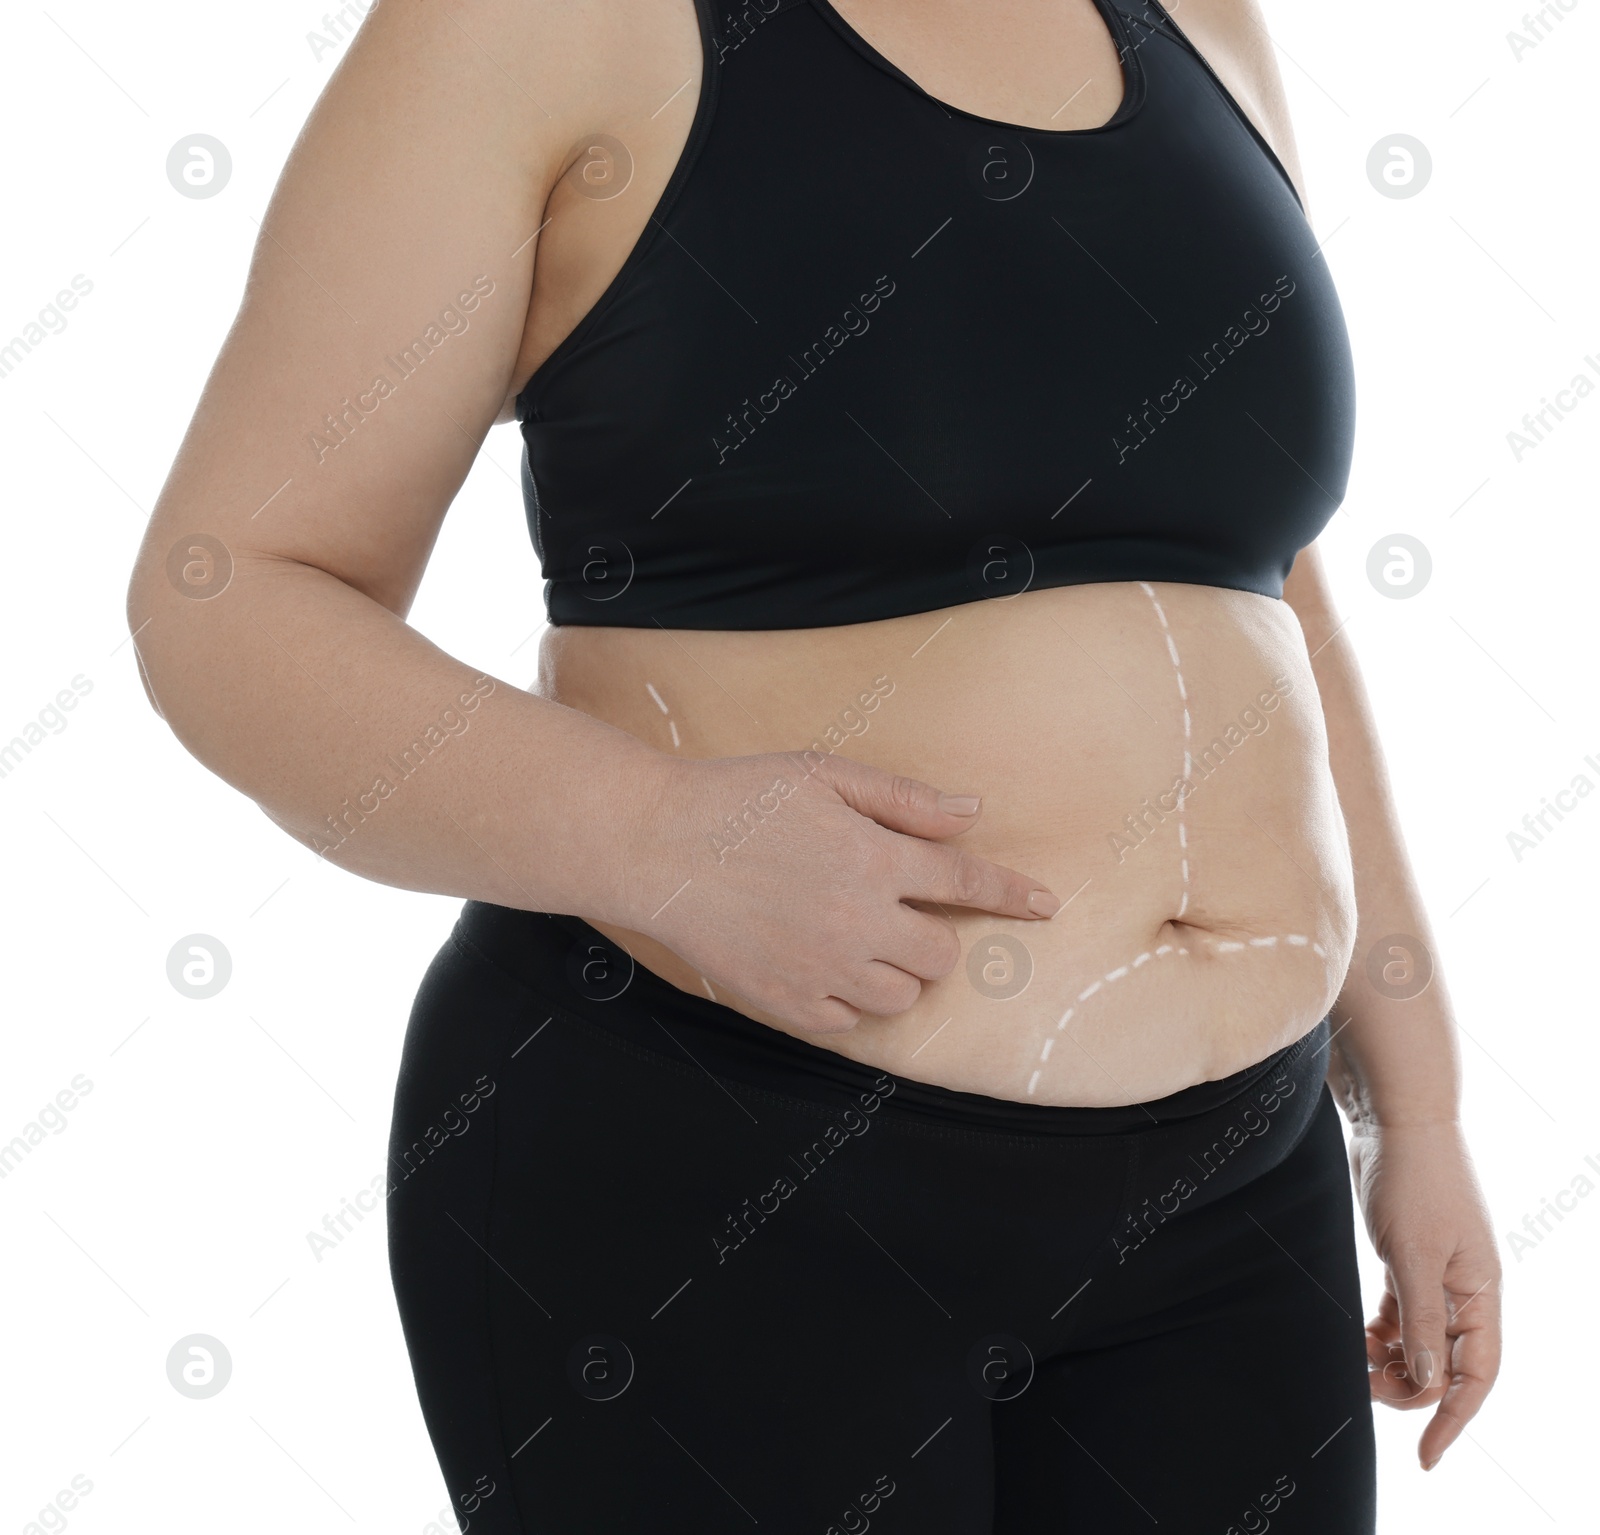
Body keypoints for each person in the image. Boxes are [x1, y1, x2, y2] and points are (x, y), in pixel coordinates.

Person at [126, 0, 1501, 1527]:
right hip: (724, 1167)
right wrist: (645, 836)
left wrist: (1419, 1108)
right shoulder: (542, 23)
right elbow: (230, 594)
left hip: (1239, 1189)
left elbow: (1266, 580)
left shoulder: (1199, 22)